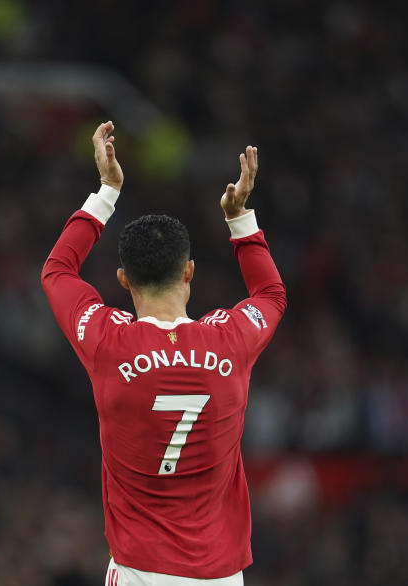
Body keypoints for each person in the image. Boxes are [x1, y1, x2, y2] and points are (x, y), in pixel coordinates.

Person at [41, 121, 286, 585]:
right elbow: (271, 294)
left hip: (140, 570)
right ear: (189, 272)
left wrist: (107, 191)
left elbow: (57, 272)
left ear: (123, 280)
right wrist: (240, 219)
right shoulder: (229, 339)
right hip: (220, 575)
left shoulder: (107, 341)